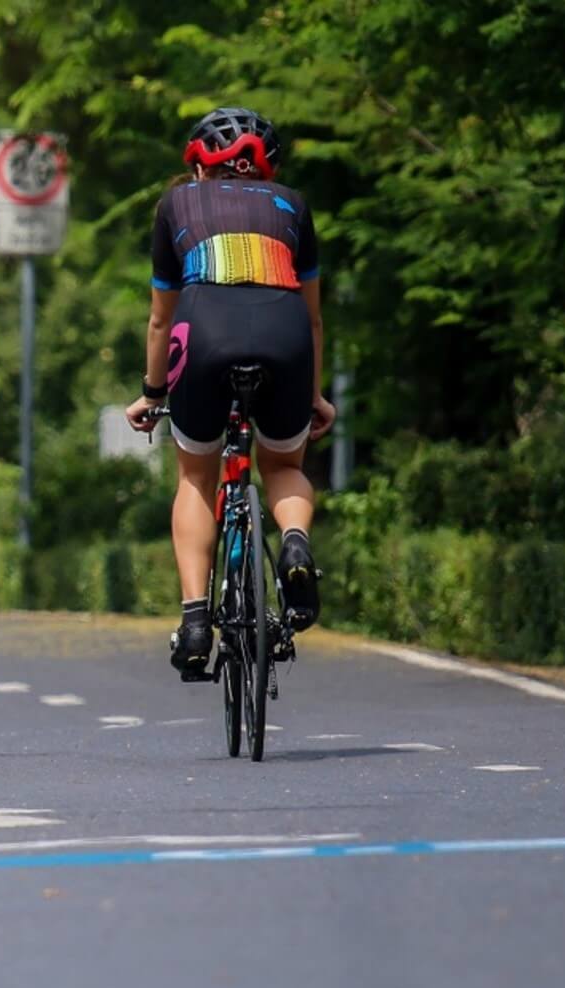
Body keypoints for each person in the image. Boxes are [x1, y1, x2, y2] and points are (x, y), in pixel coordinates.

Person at [126, 107, 335, 680]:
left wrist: (151, 392)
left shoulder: (176, 204)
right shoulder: (292, 204)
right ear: (267, 168)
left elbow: (159, 319)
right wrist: (313, 394)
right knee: (284, 463)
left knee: (196, 475)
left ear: (198, 167)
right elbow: (313, 319)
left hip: (204, 327)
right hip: (286, 331)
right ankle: (293, 543)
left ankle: (195, 621)